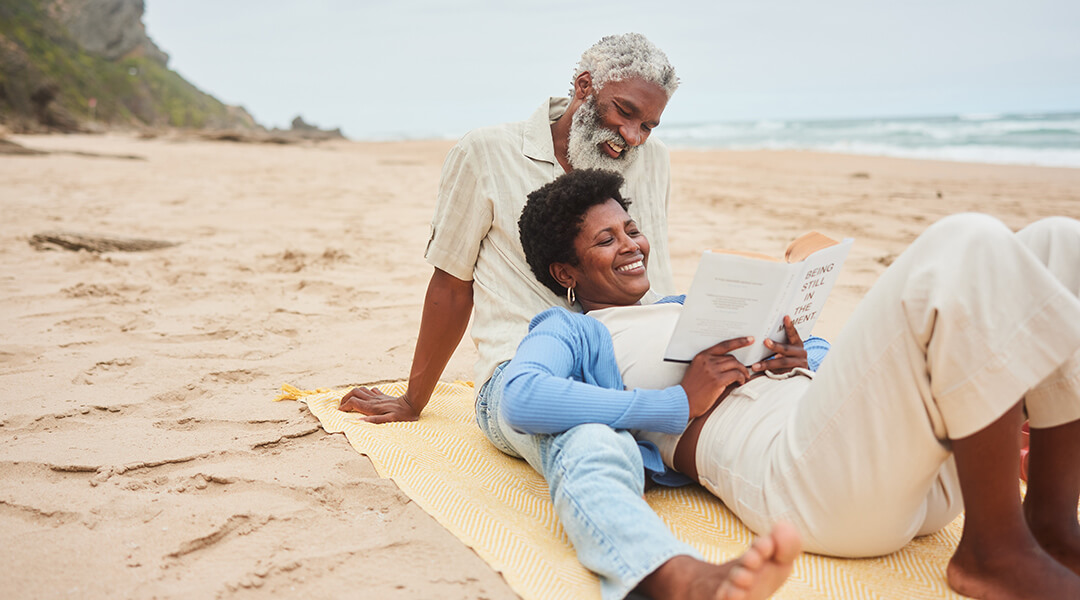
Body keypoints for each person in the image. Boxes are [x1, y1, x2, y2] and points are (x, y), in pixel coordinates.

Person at [341, 35, 803, 599]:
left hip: (635, 357)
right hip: (528, 371)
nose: (631, 138)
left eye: (648, 126)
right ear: (585, 87)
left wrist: (701, 344)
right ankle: (670, 577)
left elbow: (647, 271)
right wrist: (415, 400)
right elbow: (450, 283)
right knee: (589, 439)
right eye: (624, 114)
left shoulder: (649, 161)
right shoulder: (486, 152)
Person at [504, 168, 1080, 600]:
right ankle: (993, 550)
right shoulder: (575, 331)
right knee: (963, 242)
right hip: (807, 483)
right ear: (565, 271)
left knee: (1061, 243)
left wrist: (799, 355)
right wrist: (676, 402)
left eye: (630, 229)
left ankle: (1049, 522)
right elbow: (522, 396)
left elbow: (834, 364)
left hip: (898, 470)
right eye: (605, 241)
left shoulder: (683, 306)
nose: (630, 245)